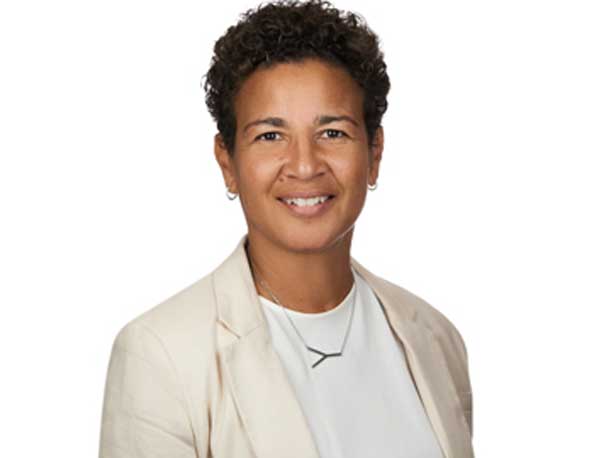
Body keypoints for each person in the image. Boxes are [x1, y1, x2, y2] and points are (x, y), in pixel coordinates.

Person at [98, 1, 474, 457]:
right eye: (270, 136)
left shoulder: (434, 338)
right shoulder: (161, 356)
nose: (304, 165)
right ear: (228, 163)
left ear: (374, 153)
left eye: (332, 132)